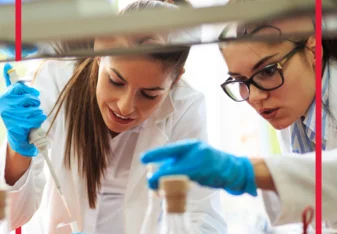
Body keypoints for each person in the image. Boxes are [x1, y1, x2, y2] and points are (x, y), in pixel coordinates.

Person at [0, 1, 227, 234]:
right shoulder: (56, 81)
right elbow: (10, 217)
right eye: (116, 81)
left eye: (149, 94)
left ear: (176, 79)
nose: (126, 106)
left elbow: (204, 219)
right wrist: (17, 150)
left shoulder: (185, 107)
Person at [140, 12, 337, 229]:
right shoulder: (297, 112)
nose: (254, 97)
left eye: (268, 71)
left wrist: (244, 170)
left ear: (314, 49)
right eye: (240, 81)